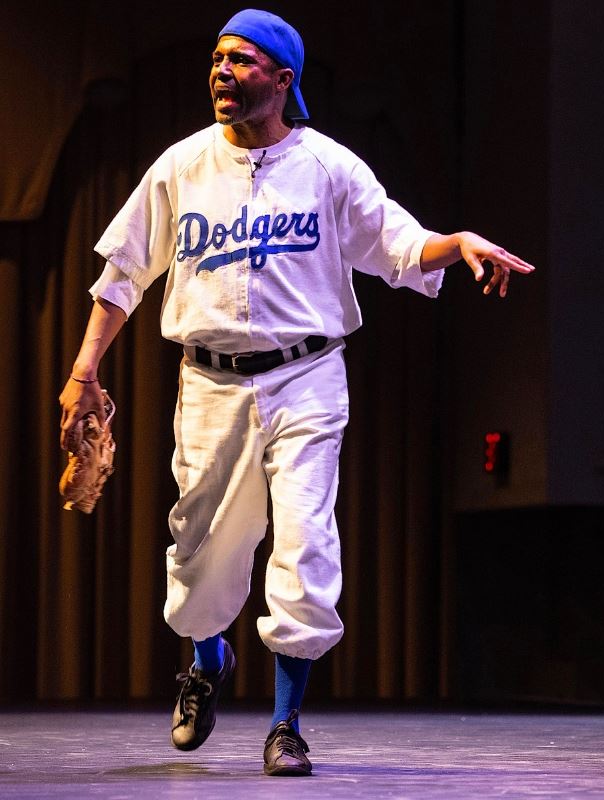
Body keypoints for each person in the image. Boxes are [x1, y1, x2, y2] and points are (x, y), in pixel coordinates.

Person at [58, 8, 534, 777]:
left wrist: (463, 241)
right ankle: (209, 659)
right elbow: (121, 275)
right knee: (200, 552)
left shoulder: (329, 168)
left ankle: (286, 725)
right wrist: (84, 372)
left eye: (242, 61)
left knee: (307, 542)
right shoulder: (181, 167)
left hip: (307, 378)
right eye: (217, 58)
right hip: (210, 382)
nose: (222, 71)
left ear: (283, 80)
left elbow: (401, 246)